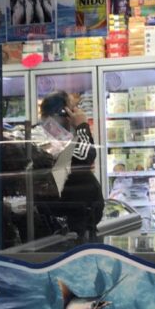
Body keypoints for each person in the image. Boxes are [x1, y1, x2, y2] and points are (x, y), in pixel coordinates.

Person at [38, 92, 104, 241]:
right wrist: (82, 125)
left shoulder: (58, 137)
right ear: (64, 112)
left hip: (76, 223)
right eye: (74, 108)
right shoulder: (45, 138)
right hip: (66, 229)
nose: (78, 112)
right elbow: (85, 156)